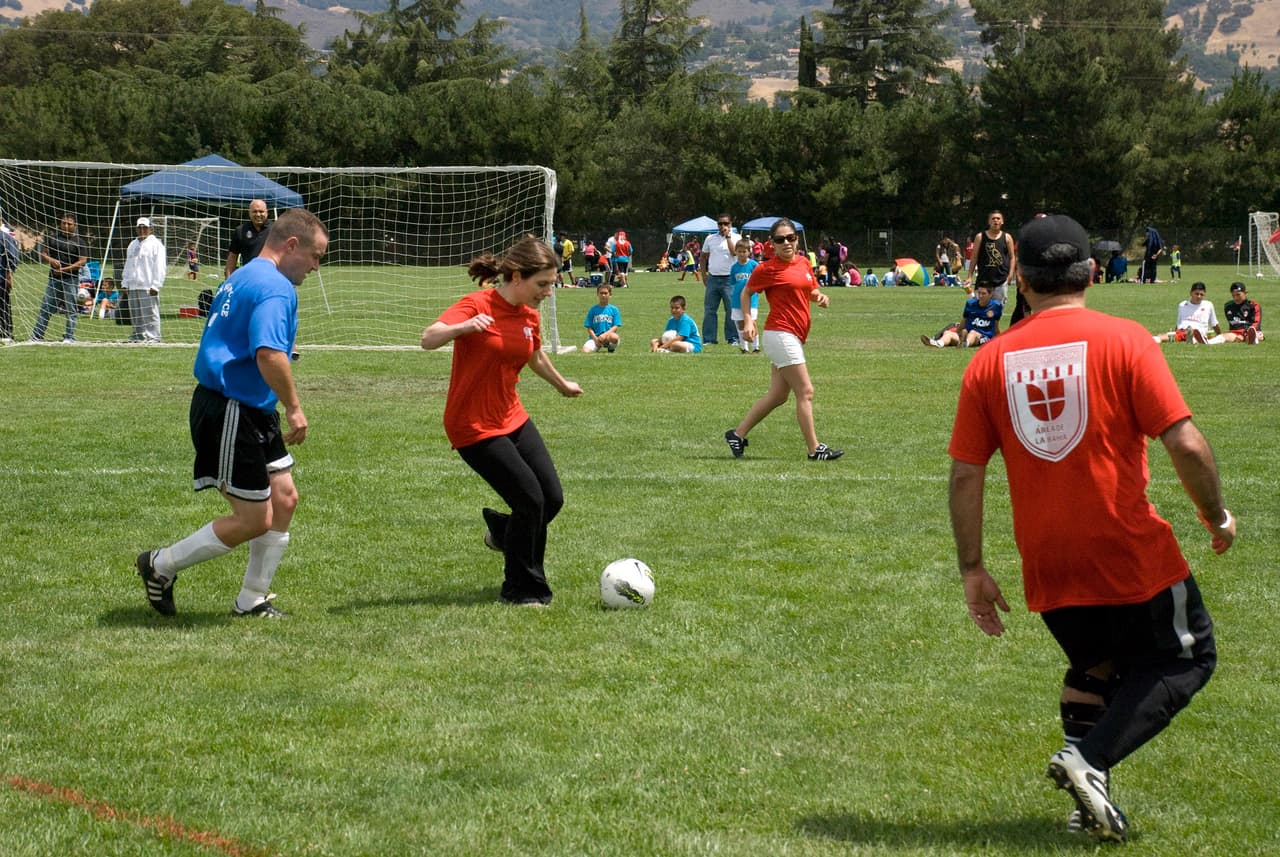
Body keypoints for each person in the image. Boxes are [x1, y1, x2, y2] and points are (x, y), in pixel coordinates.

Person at [949, 214, 1233, 844]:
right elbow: (1183, 442)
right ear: (1094, 271)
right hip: (1127, 551)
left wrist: (972, 567)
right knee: (1185, 658)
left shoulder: (988, 362)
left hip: (1048, 561)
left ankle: (1086, 803)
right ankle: (1088, 760)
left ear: (1020, 275)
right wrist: (1216, 516)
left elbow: (967, 474)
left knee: (1095, 666)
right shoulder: (1127, 340)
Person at [135, 208, 328, 619]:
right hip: (231, 409)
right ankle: (159, 564)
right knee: (254, 519)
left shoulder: (240, 276)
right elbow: (268, 354)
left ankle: (252, 599)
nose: (315, 267)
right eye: (315, 256)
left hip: (251, 406)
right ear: (291, 245)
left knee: (285, 498)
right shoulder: (276, 287)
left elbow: (239, 337)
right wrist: (295, 407)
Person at [420, 237, 582, 606]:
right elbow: (428, 339)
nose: (548, 293)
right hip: (472, 424)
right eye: (542, 284)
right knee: (529, 499)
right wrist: (462, 328)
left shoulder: (528, 314)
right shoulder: (477, 304)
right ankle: (522, 590)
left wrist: (562, 385)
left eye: (551, 284)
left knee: (551, 499)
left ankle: (504, 531)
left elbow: (535, 357)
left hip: (511, 417)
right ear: (515, 276)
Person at [724, 218, 842, 462]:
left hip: (795, 336)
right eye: (780, 239)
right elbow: (746, 292)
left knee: (778, 395)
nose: (786, 243)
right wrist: (747, 321)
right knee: (806, 391)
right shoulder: (766, 269)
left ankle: (737, 434)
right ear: (772, 244)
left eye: (791, 238)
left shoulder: (803, 263)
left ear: (797, 239)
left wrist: (820, 297)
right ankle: (814, 449)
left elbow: (811, 289)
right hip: (780, 334)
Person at [31, 213, 89, 343]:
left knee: (71, 310)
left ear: (75, 225)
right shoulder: (54, 239)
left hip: (71, 280)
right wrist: (52, 260)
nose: (66, 226)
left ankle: (69, 337)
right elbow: (44, 253)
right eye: (63, 223)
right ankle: (36, 336)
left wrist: (63, 270)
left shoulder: (80, 242)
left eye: (69, 224)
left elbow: (82, 262)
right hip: (54, 280)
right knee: (46, 308)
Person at [122, 217, 167, 342]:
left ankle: (154, 337)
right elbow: (128, 264)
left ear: (150, 229)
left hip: (148, 285)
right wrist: (125, 282)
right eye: (140, 227)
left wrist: (156, 285)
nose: (142, 230)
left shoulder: (156, 245)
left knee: (150, 313)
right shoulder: (132, 244)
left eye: (145, 227)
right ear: (136, 228)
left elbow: (160, 266)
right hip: (133, 284)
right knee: (136, 313)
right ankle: (138, 335)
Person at [699, 214, 741, 346]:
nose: (723, 226)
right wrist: (704, 275)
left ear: (731, 224)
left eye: (726, 223)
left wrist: (728, 236)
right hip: (713, 278)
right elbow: (703, 257)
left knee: (730, 310)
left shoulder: (736, 238)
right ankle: (709, 338)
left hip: (730, 279)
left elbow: (734, 253)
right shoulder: (710, 238)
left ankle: (732, 338)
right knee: (710, 310)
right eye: (720, 224)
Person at [920, 284, 1003, 348]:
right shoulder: (970, 304)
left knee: (973, 333)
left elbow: (996, 326)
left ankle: (964, 343)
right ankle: (938, 343)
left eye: (983, 294)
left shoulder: (996, 306)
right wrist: (957, 332)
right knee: (948, 333)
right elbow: (964, 321)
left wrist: (999, 340)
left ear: (990, 294)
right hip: (966, 333)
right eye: (979, 293)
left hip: (983, 336)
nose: (980, 296)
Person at [968, 211, 1016, 305]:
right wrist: (970, 276)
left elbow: (1012, 257)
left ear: (1002, 221)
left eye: (998, 218)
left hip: (1001, 280)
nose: (996, 221)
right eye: (993, 219)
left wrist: (1010, 275)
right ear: (989, 222)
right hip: (983, 279)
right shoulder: (980, 237)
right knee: (980, 309)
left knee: (997, 311)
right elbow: (974, 257)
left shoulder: (1007, 237)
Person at [1153, 281, 1220, 344]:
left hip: (1198, 331)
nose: (1199, 296)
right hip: (1183, 330)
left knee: (1188, 332)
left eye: (1201, 294)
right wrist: (1174, 332)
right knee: (1176, 334)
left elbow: (1214, 323)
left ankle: (1156, 339)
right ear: (1190, 293)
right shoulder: (1182, 305)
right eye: (1196, 294)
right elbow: (1179, 322)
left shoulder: (1208, 305)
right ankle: (1156, 339)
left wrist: (1219, 335)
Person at [223, 198, 271, 280]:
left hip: (271, 279)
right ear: (249, 213)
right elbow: (232, 258)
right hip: (248, 280)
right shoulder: (240, 231)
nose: (258, 214)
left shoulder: (276, 230)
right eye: (255, 211)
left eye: (261, 211)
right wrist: (228, 281)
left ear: (266, 212)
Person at [729, 239, 760, 353]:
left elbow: (759, 280)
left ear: (749, 252)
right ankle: (744, 347)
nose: (741, 254)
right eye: (739, 251)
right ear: (736, 252)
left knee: (752, 322)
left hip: (751, 299)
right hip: (737, 300)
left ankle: (756, 347)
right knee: (741, 323)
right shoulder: (734, 267)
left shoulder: (753, 265)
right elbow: (732, 283)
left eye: (744, 251)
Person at [582, 282, 621, 352]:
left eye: (605, 293)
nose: (603, 295)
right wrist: (595, 339)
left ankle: (611, 348)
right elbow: (588, 327)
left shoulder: (614, 309)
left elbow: (615, 326)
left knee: (614, 337)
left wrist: (604, 335)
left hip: (608, 337)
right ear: (597, 294)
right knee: (585, 351)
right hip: (595, 338)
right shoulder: (593, 309)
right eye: (601, 293)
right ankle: (597, 346)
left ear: (610, 295)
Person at [0, 211, 19, 344]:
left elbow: (12, 256)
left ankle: (6, 333)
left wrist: (9, 274)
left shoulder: (7, 232)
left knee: (3, 304)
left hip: (2, 275)